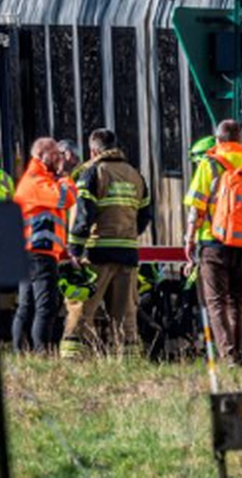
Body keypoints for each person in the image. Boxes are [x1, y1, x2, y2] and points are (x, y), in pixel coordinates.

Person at [62, 129, 152, 358]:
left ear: (93, 150)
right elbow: (145, 215)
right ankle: (128, 359)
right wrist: (128, 234)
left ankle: (74, 357)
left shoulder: (92, 173)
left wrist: (74, 248)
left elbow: (84, 214)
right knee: (125, 312)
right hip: (128, 253)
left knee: (82, 307)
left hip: (97, 253)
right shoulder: (135, 175)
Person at [183, 120, 242, 365]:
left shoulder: (210, 164)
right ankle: (236, 352)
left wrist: (189, 239)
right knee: (237, 302)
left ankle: (229, 356)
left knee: (216, 301)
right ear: (241, 140)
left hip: (214, 242)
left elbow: (196, 207)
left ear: (218, 141)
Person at [12, 137, 76, 353]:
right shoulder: (36, 181)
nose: (59, 157)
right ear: (41, 155)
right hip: (38, 254)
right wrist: (65, 176)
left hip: (30, 253)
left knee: (26, 306)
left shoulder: (39, 179)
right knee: (45, 307)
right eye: (55, 153)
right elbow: (65, 199)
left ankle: (21, 351)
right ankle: (41, 352)